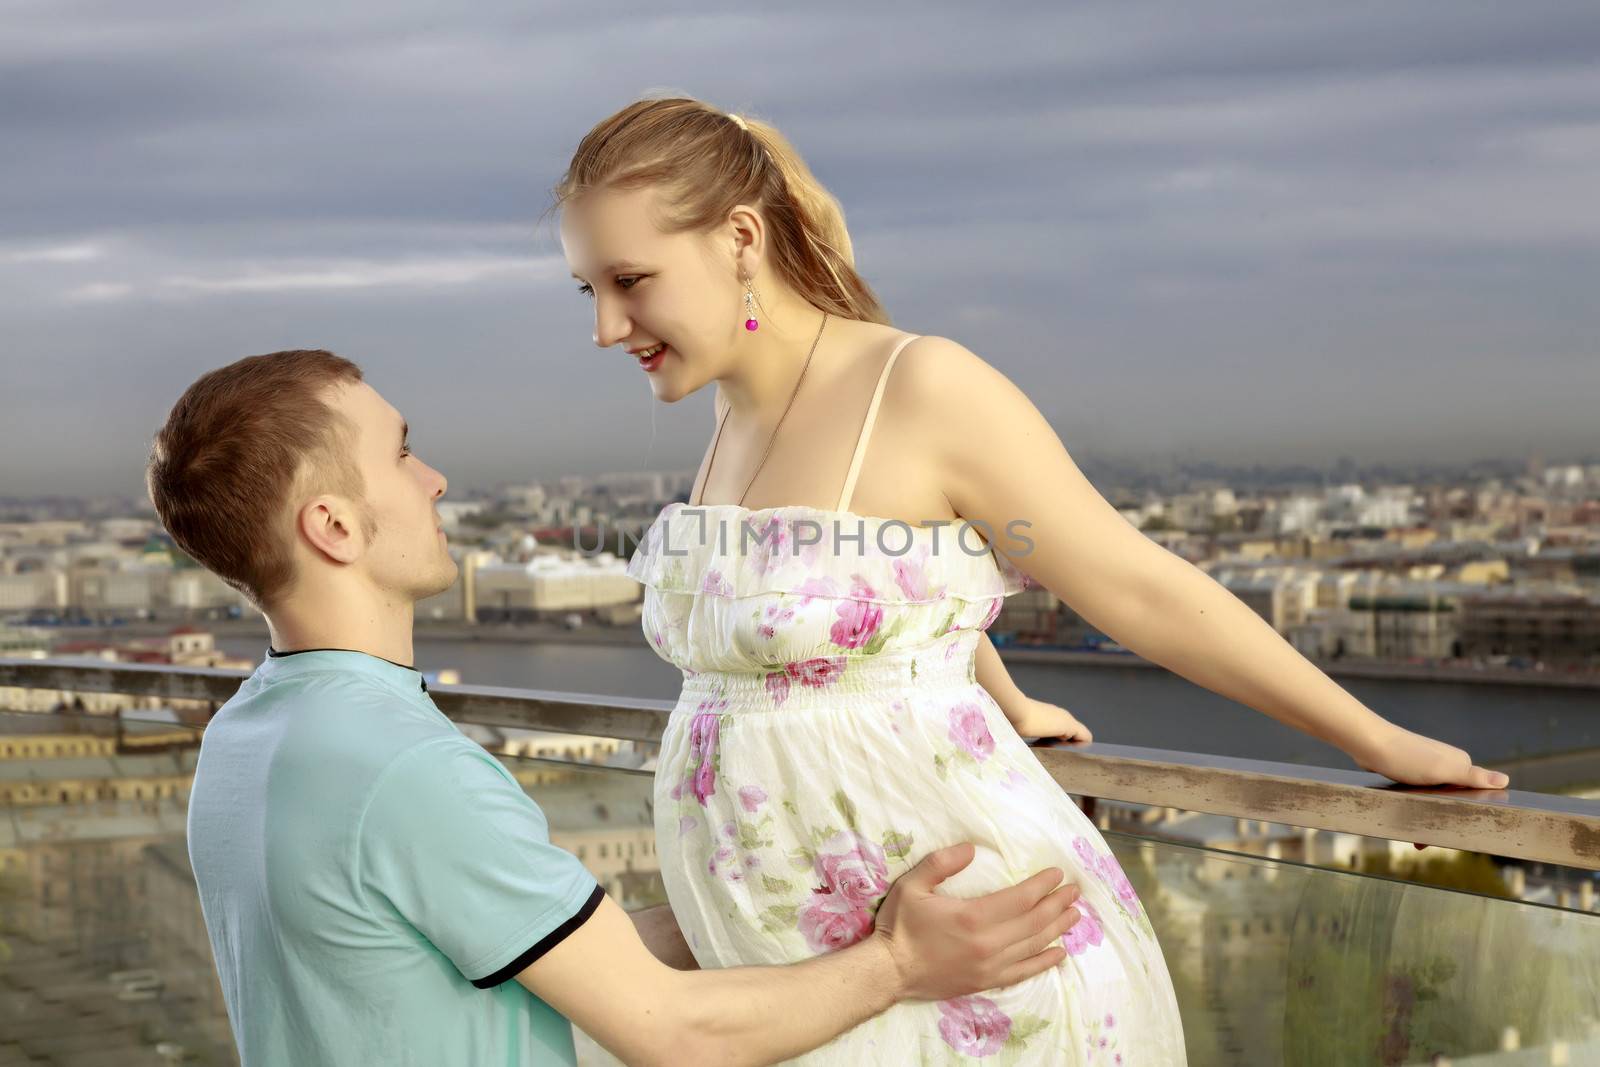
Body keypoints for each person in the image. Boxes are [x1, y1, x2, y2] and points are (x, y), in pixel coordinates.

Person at [554, 97, 1512, 1065]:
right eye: (585, 288)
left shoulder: (921, 385)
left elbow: (1134, 586)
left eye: (630, 279)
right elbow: (880, 588)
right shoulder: (732, 419)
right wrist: (1004, 692)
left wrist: (1375, 736)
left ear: (741, 237)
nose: (603, 326)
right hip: (804, 963)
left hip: (972, 972)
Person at [148, 350, 1086, 1067]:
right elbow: (671, 1033)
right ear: (336, 527)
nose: (433, 478)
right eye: (399, 451)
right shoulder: (397, 765)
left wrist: (762, 882)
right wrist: (901, 964)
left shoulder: (251, 731)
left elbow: (527, 952)